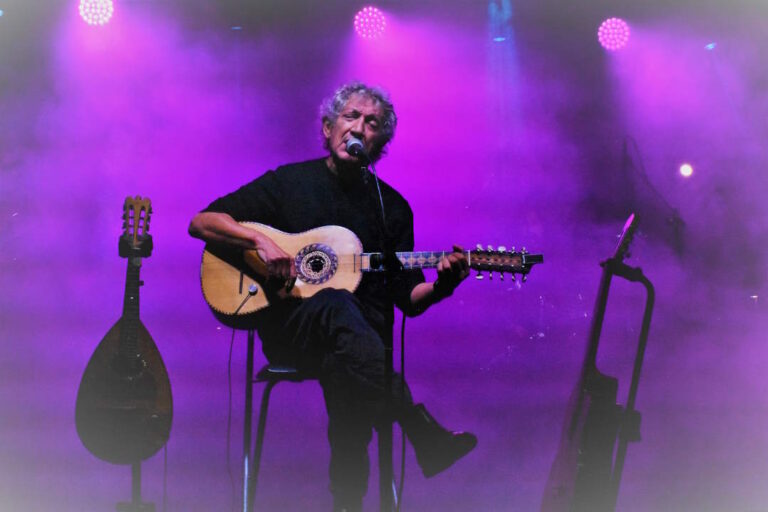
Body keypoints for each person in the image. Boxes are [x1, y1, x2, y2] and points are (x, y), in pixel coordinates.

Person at [189, 82, 477, 511]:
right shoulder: (290, 183)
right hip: (291, 329)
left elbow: (409, 299)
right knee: (337, 308)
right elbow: (202, 222)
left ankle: (348, 503)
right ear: (328, 128)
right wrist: (260, 243)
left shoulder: (391, 208)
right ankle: (420, 431)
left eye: (372, 123)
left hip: (357, 347)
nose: (360, 127)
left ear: (381, 143)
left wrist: (442, 285)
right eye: (351, 117)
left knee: (349, 364)